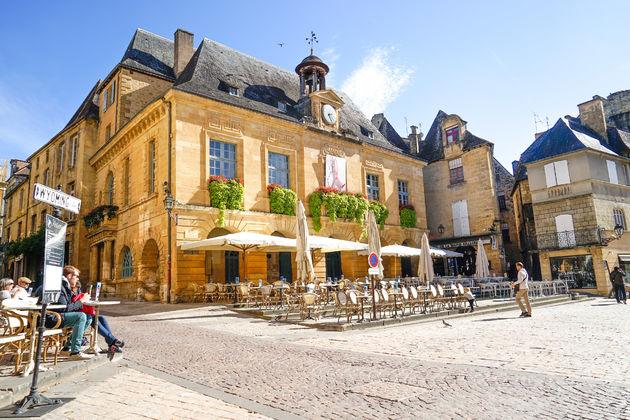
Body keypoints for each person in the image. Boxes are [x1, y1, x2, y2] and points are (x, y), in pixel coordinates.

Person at [46, 265, 94, 360]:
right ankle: (75, 351)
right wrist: (81, 301)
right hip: (52, 318)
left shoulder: (66, 286)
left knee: (88, 318)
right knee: (81, 316)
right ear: (69, 276)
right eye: (76, 276)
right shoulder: (60, 286)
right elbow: (64, 308)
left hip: (59, 316)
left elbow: (68, 305)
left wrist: (81, 299)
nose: (78, 279)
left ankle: (67, 348)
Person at [75, 280, 125, 352]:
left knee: (101, 317)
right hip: (77, 314)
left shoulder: (77, 291)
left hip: (82, 311)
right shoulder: (69, 290)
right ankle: (113, 341)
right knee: (93, 319)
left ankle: (111, 344)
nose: (77, 279)